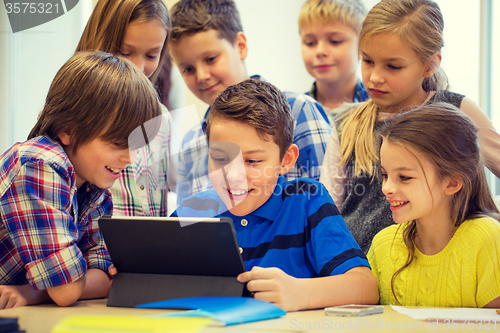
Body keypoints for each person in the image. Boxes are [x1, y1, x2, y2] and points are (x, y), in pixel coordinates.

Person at [172, 79, 378, 312]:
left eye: (252, 161)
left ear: (286, 160)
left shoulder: (306, 201)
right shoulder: (191, 211)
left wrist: (300, 293)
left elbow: (366, 287)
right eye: (221, 158)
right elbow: (144, 277)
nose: (234, 175)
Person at [319, 0, 500, 253]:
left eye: (393, 66)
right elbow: (327, 210)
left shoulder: (457, 110)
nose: (374, 77)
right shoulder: (345, 124)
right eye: (367, 61)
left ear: (430, 64)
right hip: (360, 268)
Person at [0, 51, 162, 309]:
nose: (130, 159)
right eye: (118, 143)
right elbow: (66, 291)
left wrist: (34, 293)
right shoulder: (39, 164)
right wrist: (57, 287)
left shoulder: (94, 188)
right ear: (68, 130)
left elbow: (106, 275)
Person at [168, 0, 331, 204]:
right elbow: (192, 225)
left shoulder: (299, 110)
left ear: (241, 46)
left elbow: (333, 204)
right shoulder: (190, 145)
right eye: (188, 69)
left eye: (210, 59)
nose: (201, 76)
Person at [368, 103, 500, 308]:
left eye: (404, 177)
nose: (386, 188)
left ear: (452, 183)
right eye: (385, 175)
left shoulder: (485, 237)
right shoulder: (383, 244)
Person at [77, 0, 174, 216]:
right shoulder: (73, 112)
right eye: (125, 53)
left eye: (151, 55)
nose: (138, 68)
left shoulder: (163, 119)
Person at [299, 0, 369, 122]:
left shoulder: (381, 108)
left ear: (362, 45)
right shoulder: (292, 111)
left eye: (335, 41)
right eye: (310, 43)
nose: (320, 51)